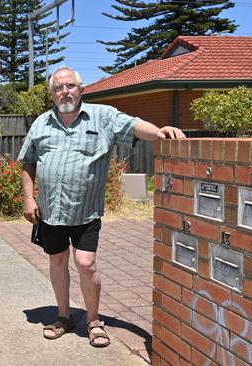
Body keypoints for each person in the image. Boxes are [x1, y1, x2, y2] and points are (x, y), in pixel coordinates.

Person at [18, 65, 185, 348]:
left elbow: (132, 125)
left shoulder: (102, 116)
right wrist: (28, 198)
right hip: (51, 211)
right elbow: (28, 161)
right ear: (52, 94)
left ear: (81, 89)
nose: (64, 92)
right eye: (58, 88)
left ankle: (94, 320)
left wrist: (158, 132)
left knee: (86, 263)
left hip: (86, 211)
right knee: (57, 262)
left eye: (69, 86)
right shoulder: (41, 123)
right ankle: (63, 317)